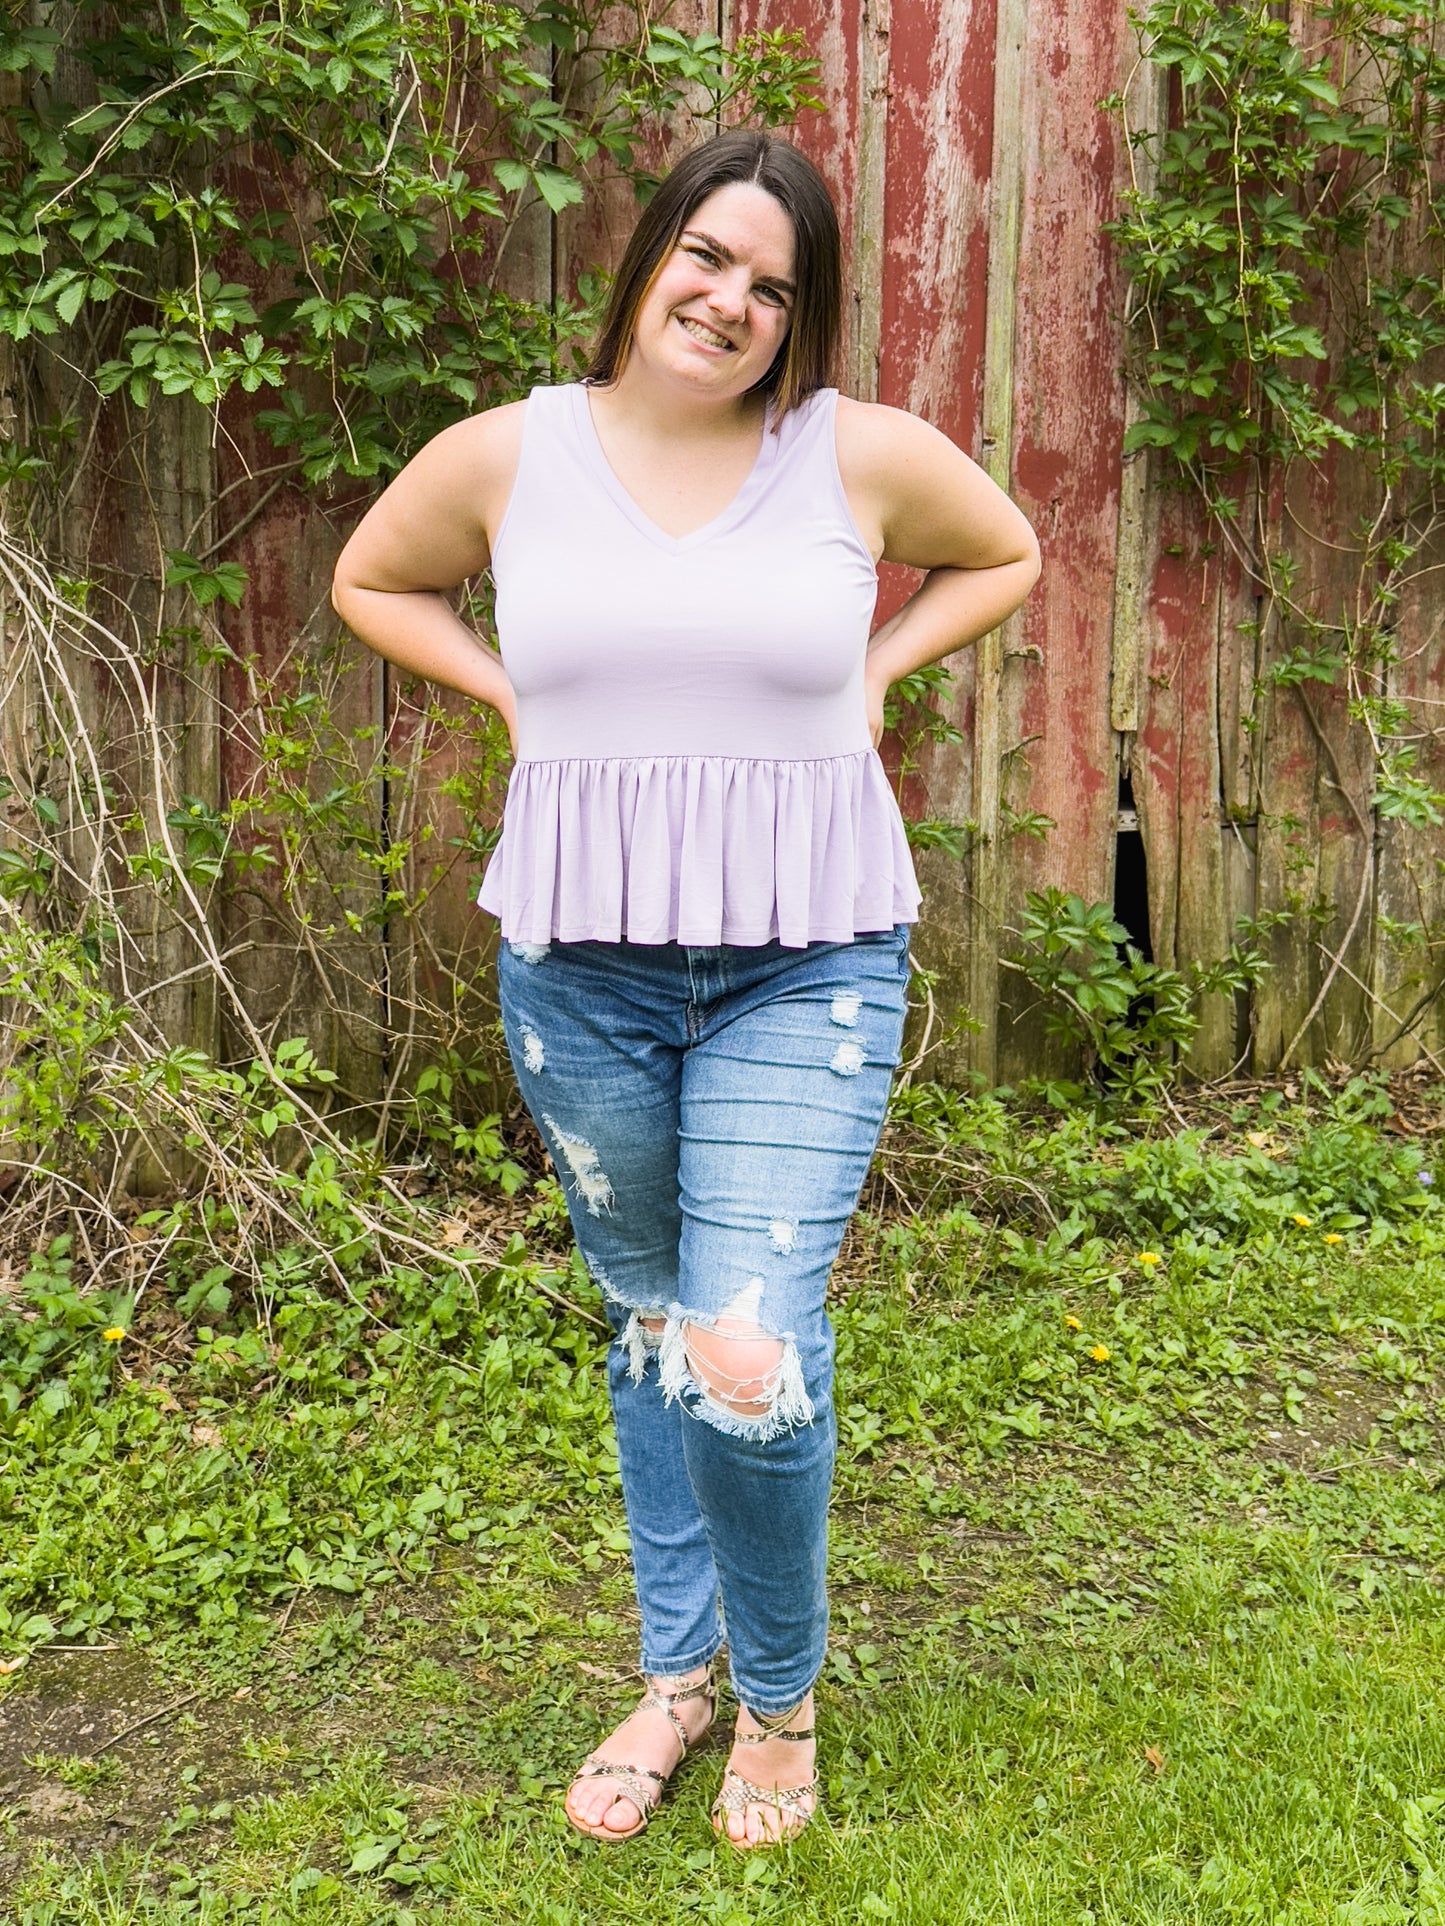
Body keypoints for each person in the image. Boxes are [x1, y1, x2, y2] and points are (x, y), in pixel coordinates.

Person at [332, 127, 1040, 1851]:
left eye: (774, 288)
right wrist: (509, 697)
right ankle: (674, 1674)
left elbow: (1005, 549)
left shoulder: (850, 456)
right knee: (654, 1324)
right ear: (648, 256)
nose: (731, 302)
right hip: (579, 967)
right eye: (708, 259)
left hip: (808, 958)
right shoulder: (513, 452)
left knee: (746, 1346)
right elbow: (372, 577)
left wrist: (874, 665)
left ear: (800, 324)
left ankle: (778, 1704)